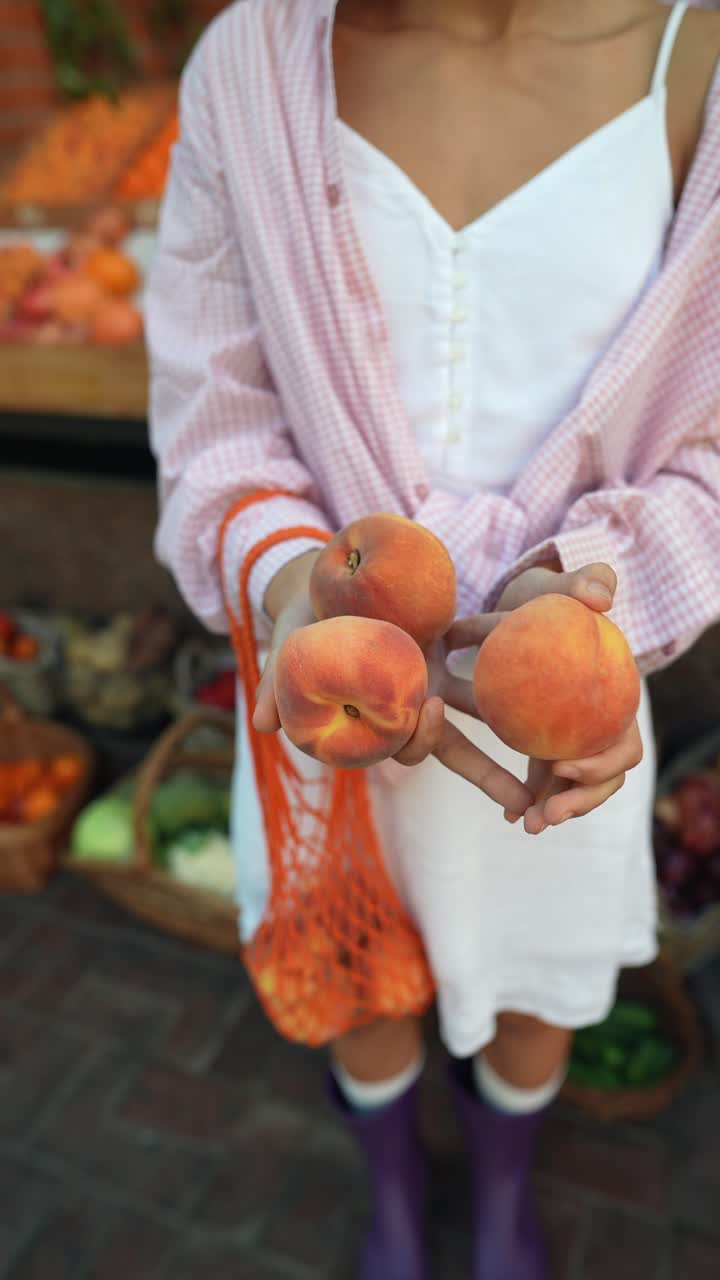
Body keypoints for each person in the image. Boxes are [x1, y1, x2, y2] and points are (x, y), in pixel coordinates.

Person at [147, 2, 720, 1276]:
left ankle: (503, 1193)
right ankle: (397, 1195)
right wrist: (293, 585)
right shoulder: (250, 66)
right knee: (354, 990)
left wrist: (597, 585)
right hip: (322, 691)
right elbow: (216, 421)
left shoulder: (700, 55)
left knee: (531, 1006)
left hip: (560, 708)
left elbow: (712, 451)